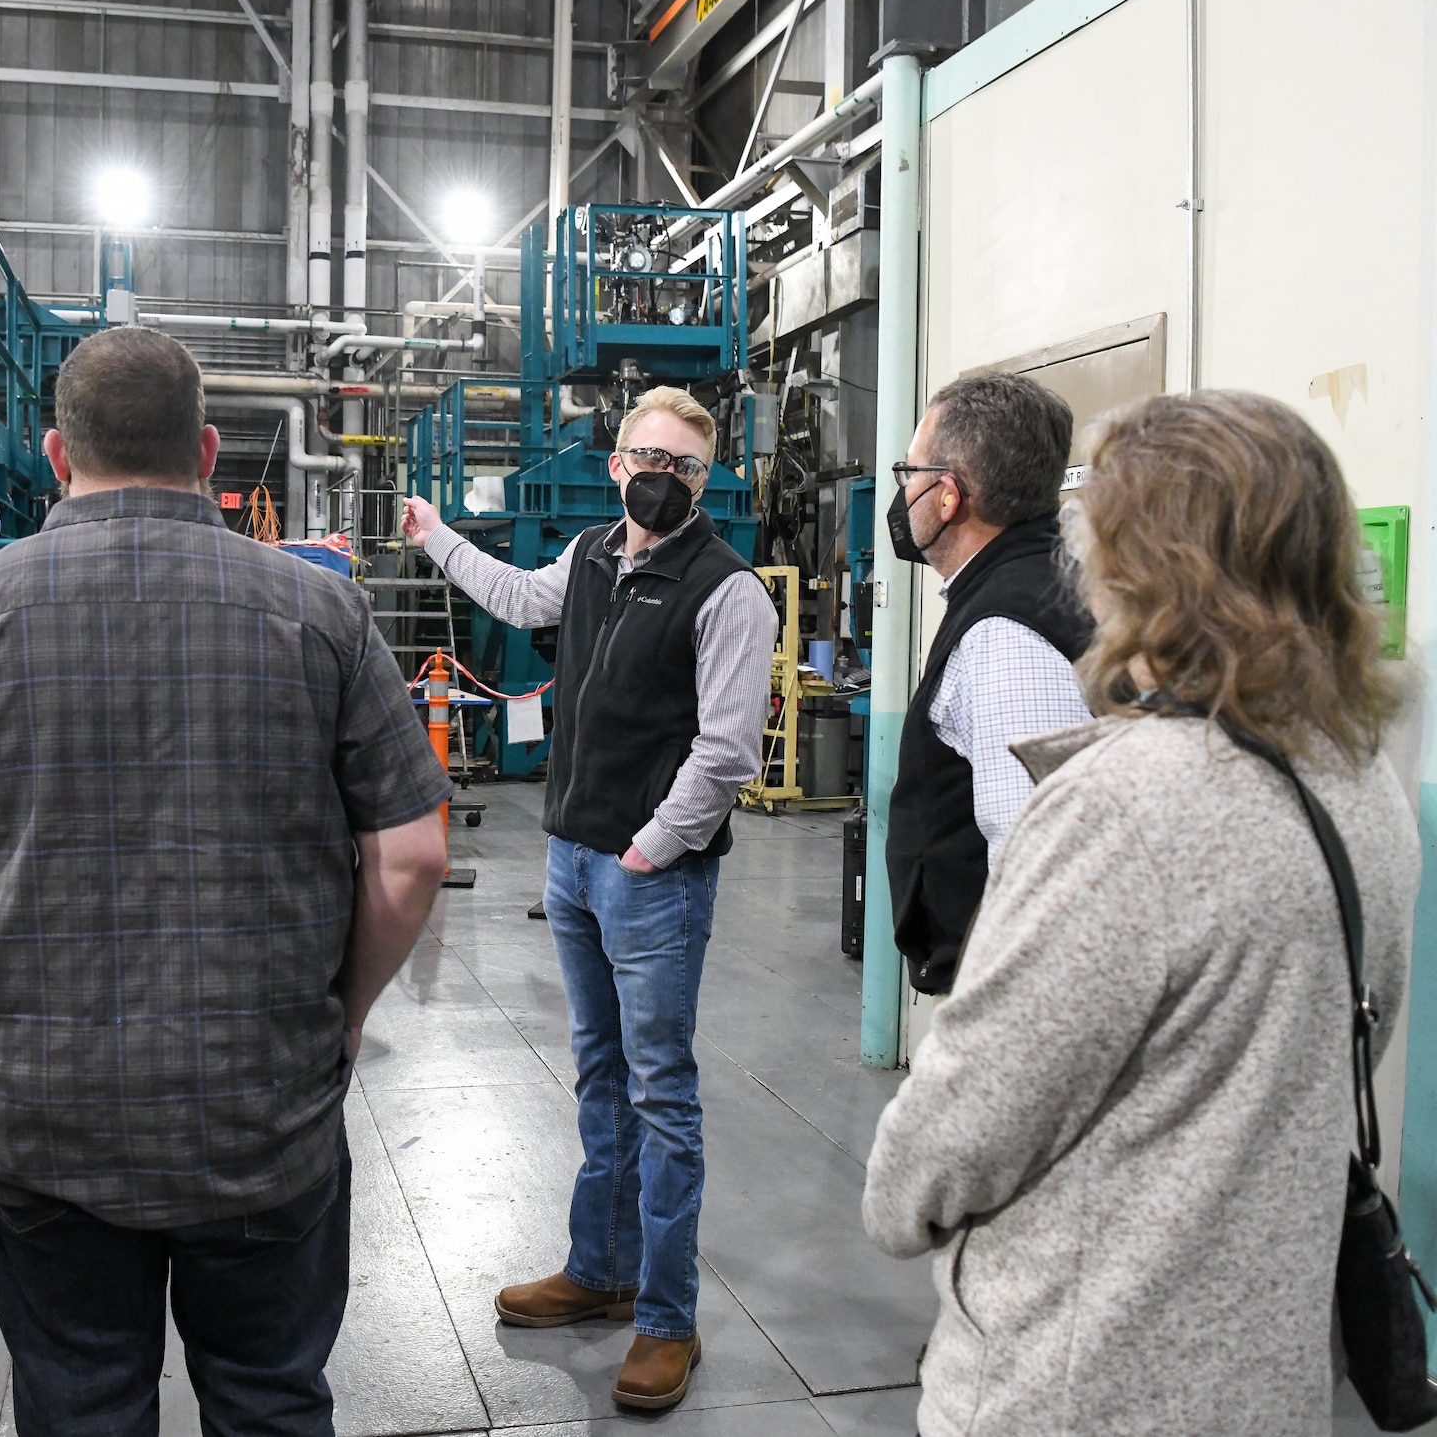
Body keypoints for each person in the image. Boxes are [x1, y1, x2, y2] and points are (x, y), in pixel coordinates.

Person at [0, 326, 453, 1437]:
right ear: (206, 451)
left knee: (80, 1404)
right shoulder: (323, 613)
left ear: (56, 454)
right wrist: (338, 1020)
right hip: (263, 1110)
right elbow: (413, 854)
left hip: (41, 1116)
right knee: (268, 1401)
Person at [862, 391, 1418, 1437]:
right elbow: (1339, 1037)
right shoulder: (1356, 779)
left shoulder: (1121, 804)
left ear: (1130, 561)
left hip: (1084, 1383)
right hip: (1269, 1368)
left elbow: (937, 1157)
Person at [401, 384, 774, 1410]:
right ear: (615, 463)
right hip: (570, 861)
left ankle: (664, 1319)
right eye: (645, 457)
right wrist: (436, 538)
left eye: (684, 466)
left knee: (661, 1096)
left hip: (648, 878)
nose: (660, 477)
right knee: (598, 1075)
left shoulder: (727, 590)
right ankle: (598, 1269)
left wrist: (652, 847)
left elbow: (727, 750)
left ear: (705, 481)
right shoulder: (590, 557)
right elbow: (522, 600)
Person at [884, 372, 1093, 996]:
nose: (905, 493)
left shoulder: (1005, 632)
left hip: (1010, 991)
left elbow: (1037, 867)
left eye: (910, 473)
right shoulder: (1045, 579)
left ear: (947, 497)